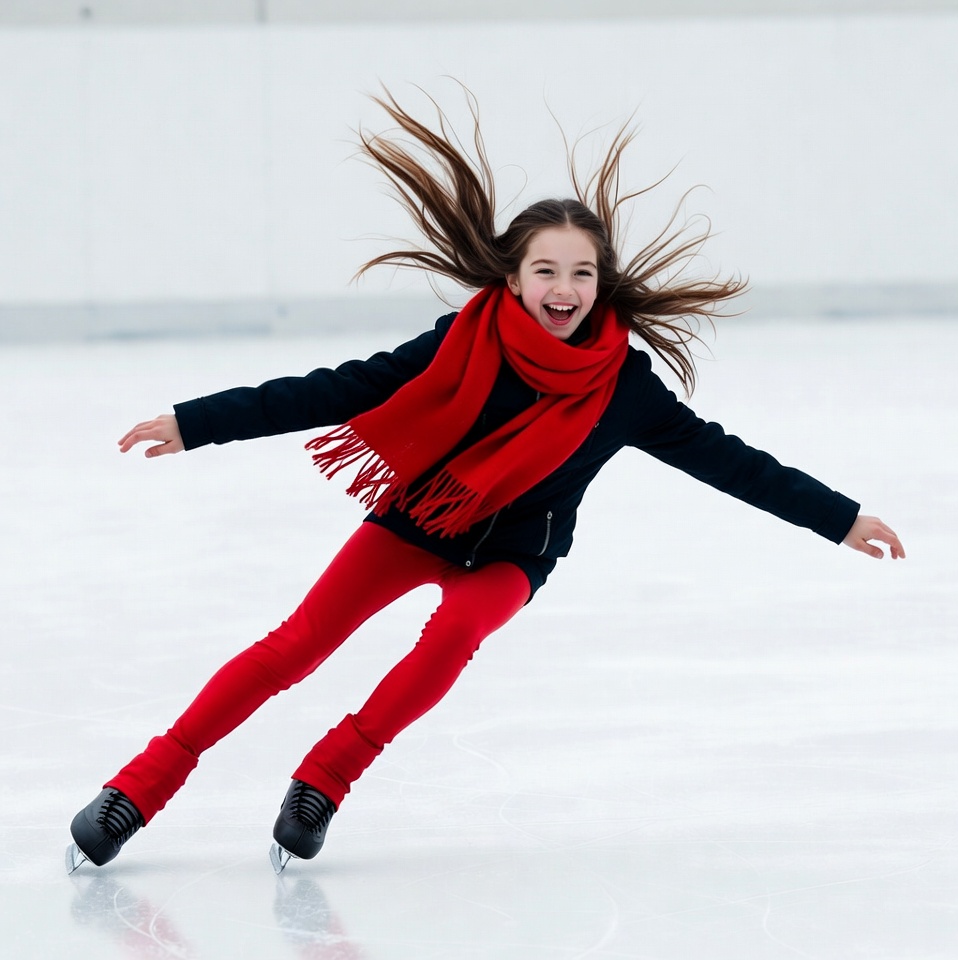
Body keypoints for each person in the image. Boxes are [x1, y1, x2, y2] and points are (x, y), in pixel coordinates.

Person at [67, 88, 904, 875]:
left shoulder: (625, 387)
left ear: (601, 283)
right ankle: (139, 786)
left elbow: (731, 462)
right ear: (513, 278)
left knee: (453, 636)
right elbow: (341, 388)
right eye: (546, 270)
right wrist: (197, 421)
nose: (564, 289)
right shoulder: (461, 341)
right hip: (418, 520)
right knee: (298, 645)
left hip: (514, 552)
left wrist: (841, 518)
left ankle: (326, 777)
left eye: (581, 273)